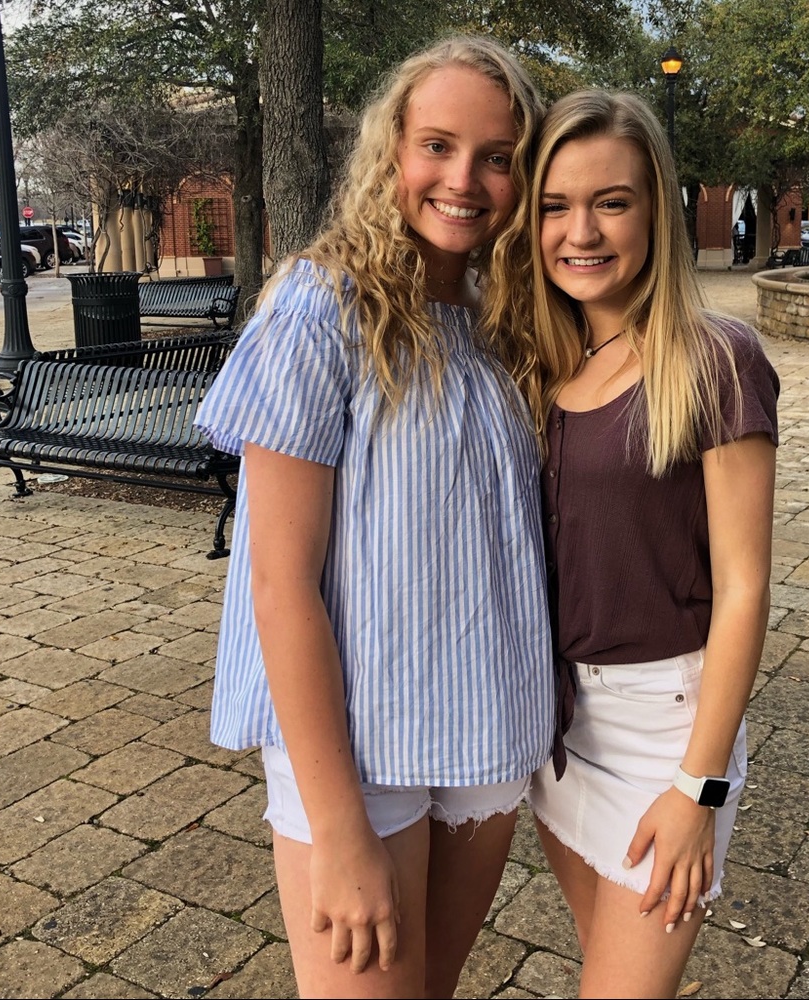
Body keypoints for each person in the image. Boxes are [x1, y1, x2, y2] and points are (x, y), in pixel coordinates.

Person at [194, 36, 553, 999]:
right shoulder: (322, 307)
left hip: (483, 727)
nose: (464, 179)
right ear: (391, 149)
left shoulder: (501, 314)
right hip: (360, 754)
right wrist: (339, 828)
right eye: (437, 145)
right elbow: (279, 584)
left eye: (498, 156)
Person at [524, 90, 779, 999]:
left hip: (664, 731)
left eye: (612, 202)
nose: (580, 231)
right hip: (556, 728)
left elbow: (745, 589)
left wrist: (699, 788)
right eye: (555, 205)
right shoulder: (544, 363)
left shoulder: (717, 360)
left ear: (658, 210)